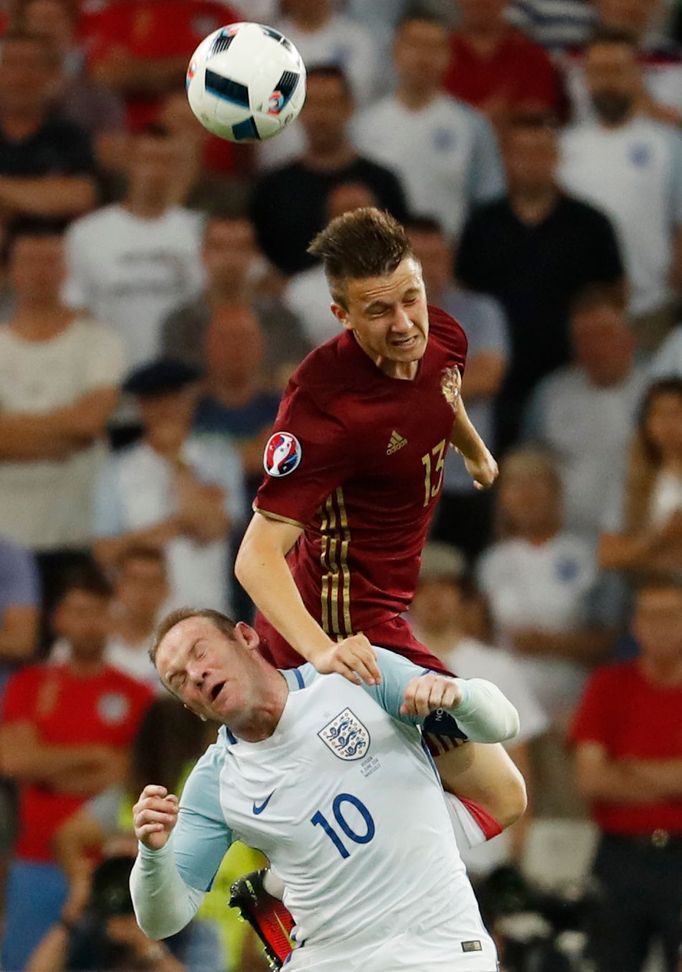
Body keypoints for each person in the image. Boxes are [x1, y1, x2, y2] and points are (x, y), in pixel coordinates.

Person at [235, 207, 526, 839]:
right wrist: (324, 654)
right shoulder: (322, 407)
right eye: (377, 312)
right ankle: (319, 889)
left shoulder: (441, 333)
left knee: (487, 800)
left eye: (410, 300)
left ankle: (311, 889)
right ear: (341, 315)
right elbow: (255, 557)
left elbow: (439, 394)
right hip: (340, 628)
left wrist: (472, 450)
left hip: (383, 617)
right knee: (500, 796)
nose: (403, 326)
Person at [130, 607, 520, 971]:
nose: (195, 674)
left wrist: (462, 697)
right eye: (178, 679)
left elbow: (503, 723)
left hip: (439, 951)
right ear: (190, 706)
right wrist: (153, 851)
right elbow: (162, 920)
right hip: (328, 959)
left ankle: (274, 886)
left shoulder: (353, 676)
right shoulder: (214, 781)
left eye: (200, 653)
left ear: (246, 637)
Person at [0, 569, 153, 970]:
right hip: (36, 862)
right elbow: (14, 760)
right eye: (79, 611)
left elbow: (127, 775)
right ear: (58, 619)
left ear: (112, 617)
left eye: (99, 611)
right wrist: (97, 754)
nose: (90, 623)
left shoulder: (137, 695)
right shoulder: (27, 685)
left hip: (111, 869)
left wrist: (49, 764)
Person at [456, 113, 625, 451]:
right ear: (506, 159)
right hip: (496, 382)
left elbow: (614, 296)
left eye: (541, 153)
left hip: (568, 380)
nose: (531, 163)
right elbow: (464, 297)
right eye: (522, 153)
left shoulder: (589, 225)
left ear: (556, 158)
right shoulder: (482, 225)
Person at [0, 224, 125, 625]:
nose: (41, 271)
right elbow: (75, 426)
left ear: (66, 269)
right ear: (10, 271)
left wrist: (14, 430)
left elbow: (90, 421)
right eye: (30, 260)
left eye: (51, 260)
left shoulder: (99, 342)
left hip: (78, 529)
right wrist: (62, 433)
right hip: (7, 537)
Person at [411, 542, 549, 877]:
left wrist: (519, 836)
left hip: (483, 837)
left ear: (463, 596)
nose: (434, 598)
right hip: (411, 836)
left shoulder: (497, 666)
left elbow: (519, 755)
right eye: (423, 587)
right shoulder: (385, 662)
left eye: (445, 586)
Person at [571, 579, 682, 972]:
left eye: (671, 615)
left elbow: (608, 776)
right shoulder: (608, 686)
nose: (661, 625)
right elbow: (591, 781)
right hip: (620, 857)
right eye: (650, 615)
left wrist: (630, 770)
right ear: (635, 625)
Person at [558, 29, 682, 351]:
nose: (608, 81)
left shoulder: (668, 145)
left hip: (651, 307)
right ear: (585, 79)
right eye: (599, 72)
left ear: (638, 76)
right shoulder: (563, 148)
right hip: (581, 312)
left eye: (618, 71)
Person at [93, 360, 245, 615]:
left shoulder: (220, 458)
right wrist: (179, 523)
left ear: (190, 400)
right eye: (155, 400)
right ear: (141, 406)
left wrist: (177, 462)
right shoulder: (117, 470)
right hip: (139, 617)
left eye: (174, 398)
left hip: (208, 607)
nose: (165, 409)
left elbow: (211, 528)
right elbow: (105, 553)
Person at [407, 216, 509, 560]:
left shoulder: (481, 312)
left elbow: (488, 377)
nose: (425, 270)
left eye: (434, 258)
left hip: (466, 478)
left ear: (449, 260)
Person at [64, 125, 204, 371]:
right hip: (110, 376)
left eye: (166, 162)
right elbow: (75, 310)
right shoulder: (86, 234)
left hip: (183, 382)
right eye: (148, 160)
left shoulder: (199, 231)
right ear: (130, 163)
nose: (156, 171)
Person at [353, 15, 505, 240]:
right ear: (395, 52)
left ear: (449, 57)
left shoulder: (472, 126)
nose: (423, 57)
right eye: (414, 45)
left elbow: (488, 200)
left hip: (447, 256)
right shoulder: (363, 126)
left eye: (434, 47)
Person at [251, 65, 408, 275]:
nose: (320, 115)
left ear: (349, 107)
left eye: (330, 103)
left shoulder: (383, 183)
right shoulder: (272, 189)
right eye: (312, 104)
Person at [522, 285, 647, 539]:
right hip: (566, 537)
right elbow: (528, 467)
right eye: (583, 337)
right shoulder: (550, 394)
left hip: (640, 536)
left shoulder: (657, 392)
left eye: (604, 334)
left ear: (629, 338)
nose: (594, 346)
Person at [161, 212, 310, 391]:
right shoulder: (180, 324)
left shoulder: (284, 321)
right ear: (203, 254)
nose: (230, 259)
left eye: (240, 248)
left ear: (254, 255)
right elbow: (178, 390)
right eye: (219, 247)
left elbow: (291, 383)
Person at [0, 31, 97, 230]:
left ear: (50, 75)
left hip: (54, 249)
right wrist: (43, 194)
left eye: (31, 66)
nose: (21, 77)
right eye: (12, 64)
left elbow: (80, 196)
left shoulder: (69, 135)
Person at [598, 378, 682, 579]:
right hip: (650, 590)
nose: (667, 423)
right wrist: (659, 538)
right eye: (659, 413)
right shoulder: (631, 481)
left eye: (677, 413)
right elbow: (606, 555)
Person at [443, 0, 562, 128]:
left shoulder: (532, 56)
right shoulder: (440, 52)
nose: (481, 2)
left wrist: (509, 117)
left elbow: (540, 114)